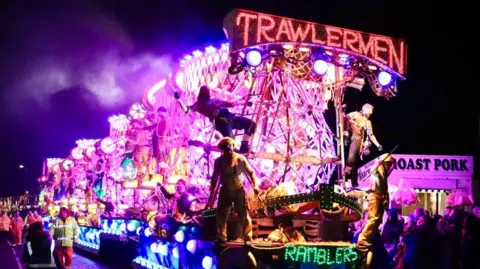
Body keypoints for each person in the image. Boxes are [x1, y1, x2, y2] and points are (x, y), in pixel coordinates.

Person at [207, 137, 260, 242]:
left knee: (243, 214)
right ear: (222, 150)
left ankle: (247, 236)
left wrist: (256, 186)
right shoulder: (219, 162)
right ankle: (222, 236)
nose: (228, 149)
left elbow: (251, 172)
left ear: (233, 146)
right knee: (221, 215)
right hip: (225, 191)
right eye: (225, 147)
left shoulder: (240, 159)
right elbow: (214, 178)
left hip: (238, 190)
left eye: (229, 146)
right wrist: (211, 195)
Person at [174, 85, 256, 154]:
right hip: (222, 122)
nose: (209, 92)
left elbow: (232, 104)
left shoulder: (215, 100)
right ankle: (234, 156)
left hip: (231, 118)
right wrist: (179, 100)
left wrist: (245, 103)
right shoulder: (199, 104)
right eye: (207, 90)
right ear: (203, 92)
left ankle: (244, 146)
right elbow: (186, 110)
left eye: (209, 90)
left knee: (250, 124)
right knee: (232, 145)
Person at [357, 153, 396, 248]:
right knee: (373, 218)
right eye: (389, 164)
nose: (390, 166)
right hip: (375, 196)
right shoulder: (376, 169)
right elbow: (374, 169)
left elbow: (387, 173)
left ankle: (369, 237)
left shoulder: (383, 172)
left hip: (379, 197)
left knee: (378, 219)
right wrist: (378, 162)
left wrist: (393, 166)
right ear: (384, 163)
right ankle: (363, 238)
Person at [344, 103, 383, 188]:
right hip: (349, 135)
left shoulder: (367, 122)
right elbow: (345, 118)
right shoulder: (355, 114)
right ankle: (348, 177)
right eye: (370, 111)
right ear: (365, 109)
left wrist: (378, 144)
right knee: (352, 159)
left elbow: (371, 134)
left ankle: (349, 178)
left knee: (353, 159)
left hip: (357, 139)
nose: (371, 113)